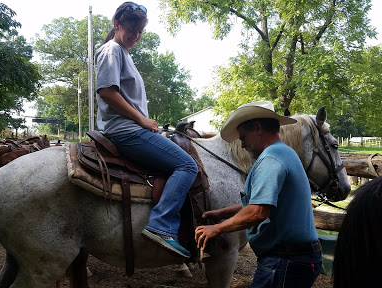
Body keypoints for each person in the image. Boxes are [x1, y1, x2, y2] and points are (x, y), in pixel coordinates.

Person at [94, 2, 198, 258]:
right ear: (117, 24)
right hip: (125, 131)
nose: (136, 35)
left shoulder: (124, 54)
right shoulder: (112, 50)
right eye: (132, 28)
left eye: (140, 31)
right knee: (187, 166)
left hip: (131, 129)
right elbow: (107, 92)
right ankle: (161, 225)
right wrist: (142, 120)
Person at [194, 101, 322, 287]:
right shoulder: (284, 153)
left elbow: (258, 211)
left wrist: (217, 229)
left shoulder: (271, 159)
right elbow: (260, 201)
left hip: (285, 260)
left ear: (257, 127)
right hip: (293, 258)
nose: (243, 145)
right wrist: (221, 213)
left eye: (244, 137)